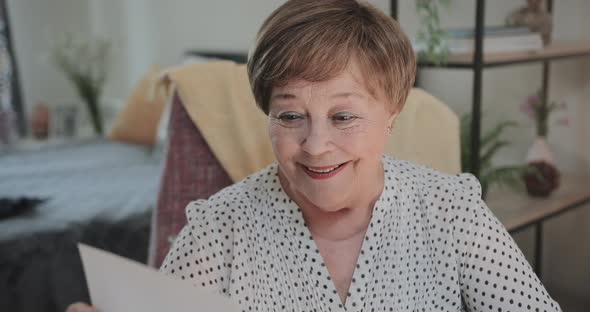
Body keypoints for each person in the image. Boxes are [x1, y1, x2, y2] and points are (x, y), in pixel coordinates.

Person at [68, 0, 561, 311]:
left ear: (392, 112)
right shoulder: (218, 228)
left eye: (343, 117)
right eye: (289, 116)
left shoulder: (452, 209)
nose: (316, 145)